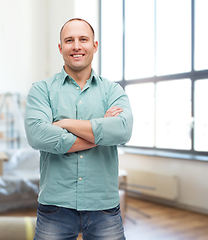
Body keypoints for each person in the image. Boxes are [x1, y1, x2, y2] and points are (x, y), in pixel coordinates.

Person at [24, 18, 133, 240]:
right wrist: (100, 131)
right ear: (60, 47)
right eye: (69, 40)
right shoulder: (41, 90)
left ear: (94, 46)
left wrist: (64, 124)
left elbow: (122, 130)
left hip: (103, 205)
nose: (76, 46)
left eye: (83, 39)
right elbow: (37, 135)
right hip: (55, 205)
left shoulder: (112, 91)